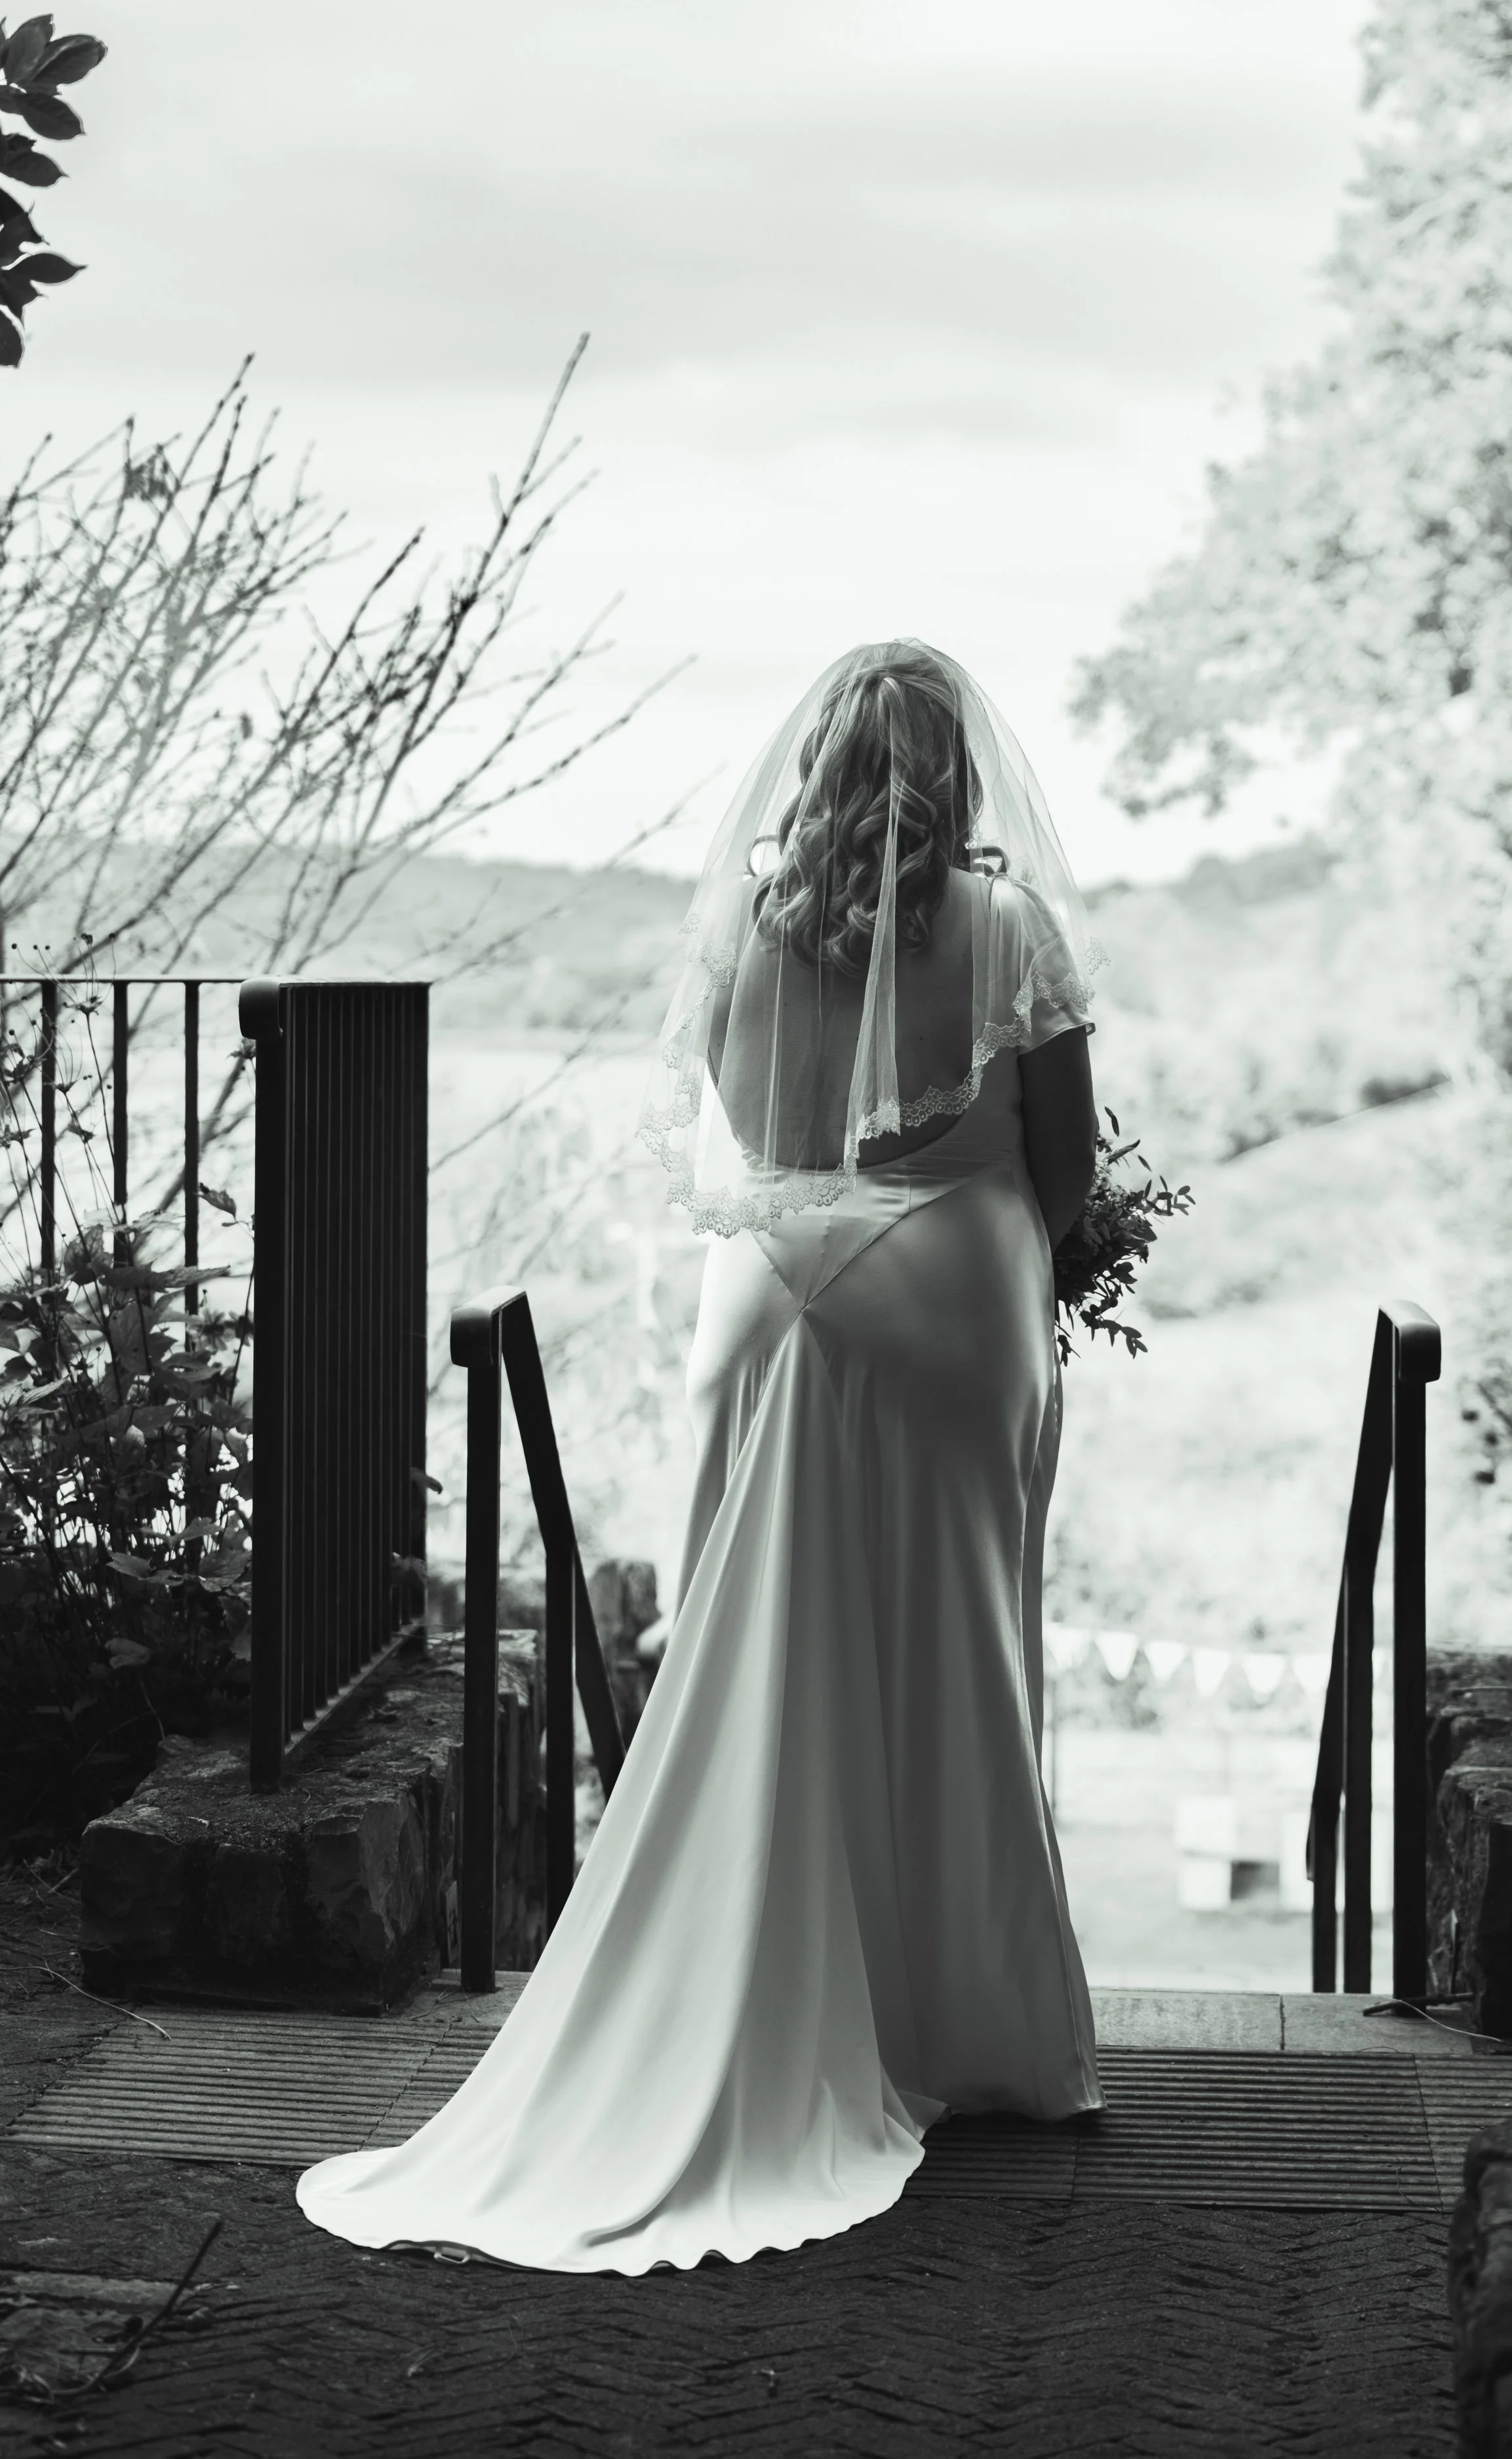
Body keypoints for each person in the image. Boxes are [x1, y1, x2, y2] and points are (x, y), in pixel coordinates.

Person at [296, 638, 1107, 2276]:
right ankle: (970, 2035)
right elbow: (1065, 1160)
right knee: (950, 1660)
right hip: (947, 1315)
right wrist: (1043, 1243)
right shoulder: (1009, 928)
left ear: (811, 768)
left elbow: (756, 1145)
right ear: (955, 775)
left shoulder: (745, 927)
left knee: (763, 1660)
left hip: (769, 1310)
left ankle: (744, 1980)